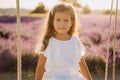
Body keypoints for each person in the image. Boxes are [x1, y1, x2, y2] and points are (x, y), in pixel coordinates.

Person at [35, 2, 92, 80]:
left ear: (71, 22)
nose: (62, 24)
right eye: (58, 20)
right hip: (53, 78)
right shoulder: (48, 41)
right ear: (52, 21)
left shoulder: (75, 41)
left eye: (66, 20)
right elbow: (40, 67)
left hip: (72, 77)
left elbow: (82, 64)